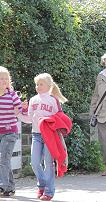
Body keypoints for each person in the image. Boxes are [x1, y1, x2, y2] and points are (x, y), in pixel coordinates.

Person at [19, 73, 68, 201]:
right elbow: (29, 118)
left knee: (48, 163)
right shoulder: (33, 100)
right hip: (36, 135)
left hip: (50, 135)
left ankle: (49, 191)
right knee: (34, 163)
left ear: (49, 86)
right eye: (37, 84)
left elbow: (60, 118)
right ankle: (42, 184)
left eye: (41, 84)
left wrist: (49, 120)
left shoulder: (53, 100)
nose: (38, 86)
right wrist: (19, 113)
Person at [0, 67, 24, 197]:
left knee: (3, 159)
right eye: (1, 79)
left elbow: (18, 111)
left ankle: (3, 186)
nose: (3, 81)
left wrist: (20, 108)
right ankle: (9, 187)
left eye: (6, 79)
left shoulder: (12, 95)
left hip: (9, 132)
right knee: (5, 160)